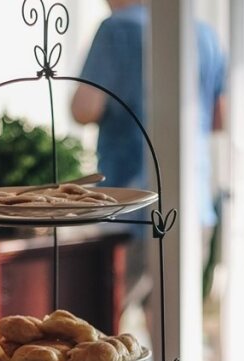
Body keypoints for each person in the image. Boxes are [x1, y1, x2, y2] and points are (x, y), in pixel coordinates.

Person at [71, 0, 226, 230]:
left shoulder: (117, 28)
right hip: (195, 200)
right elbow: (220, 118)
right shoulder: (204, 34)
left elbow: (84, 110)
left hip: (129, 201)